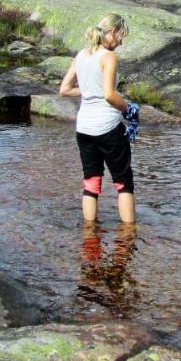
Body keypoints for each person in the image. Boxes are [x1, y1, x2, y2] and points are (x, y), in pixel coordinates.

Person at [58, 13, 136, 224]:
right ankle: (128, 236)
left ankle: (89, 236)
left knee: (91, 181)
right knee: (123, 181)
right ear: (112, 32)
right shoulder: (108, 57)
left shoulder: (82, 55)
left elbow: (64, 89)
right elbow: (110, 95)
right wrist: (129, 109)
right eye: (121, 36)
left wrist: (89, 90)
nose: (121, 41)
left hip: (83, 128)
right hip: (108, 128)